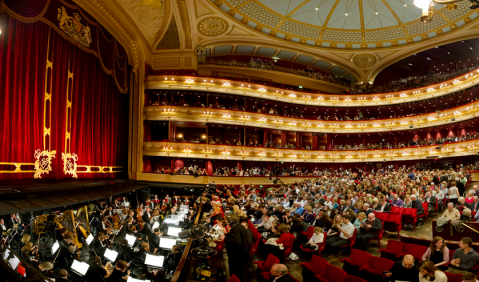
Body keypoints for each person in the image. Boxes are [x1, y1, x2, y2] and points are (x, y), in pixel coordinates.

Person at [221, 214, 248, 282]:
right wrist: (227, 234)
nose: (226, 221)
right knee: (239, 272)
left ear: (230, 221)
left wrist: (225, 238)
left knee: (235, 272)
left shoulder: (235, 228)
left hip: (236, 255)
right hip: (241, 253)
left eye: (226, 220)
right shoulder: (240, 226)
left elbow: (237, 241)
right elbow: (238, 238)